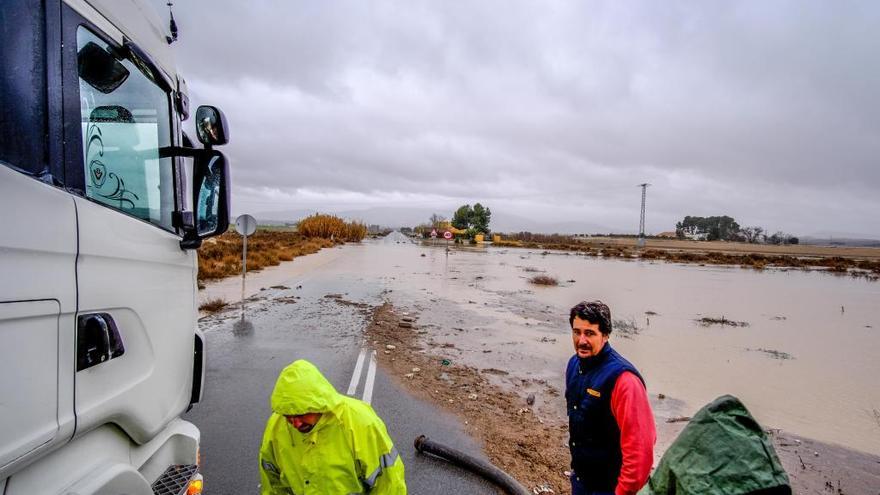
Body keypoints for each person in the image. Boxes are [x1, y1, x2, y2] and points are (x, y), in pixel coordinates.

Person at [259, 360, 406, 494]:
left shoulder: (360, 422)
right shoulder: (276, 426)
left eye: (302, 414)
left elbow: (388, 483)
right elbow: (271, 481)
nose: (296, 423)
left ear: (319, 404)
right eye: (288, 417)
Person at [565, 301, 655, 495]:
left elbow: (640, 453)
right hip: (581, 481)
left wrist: (623, 492)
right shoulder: (574, 366)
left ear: (605, 335)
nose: (581, 340)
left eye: (589, 333)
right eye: (576, 332)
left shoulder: (624, 381)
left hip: (611, 488)